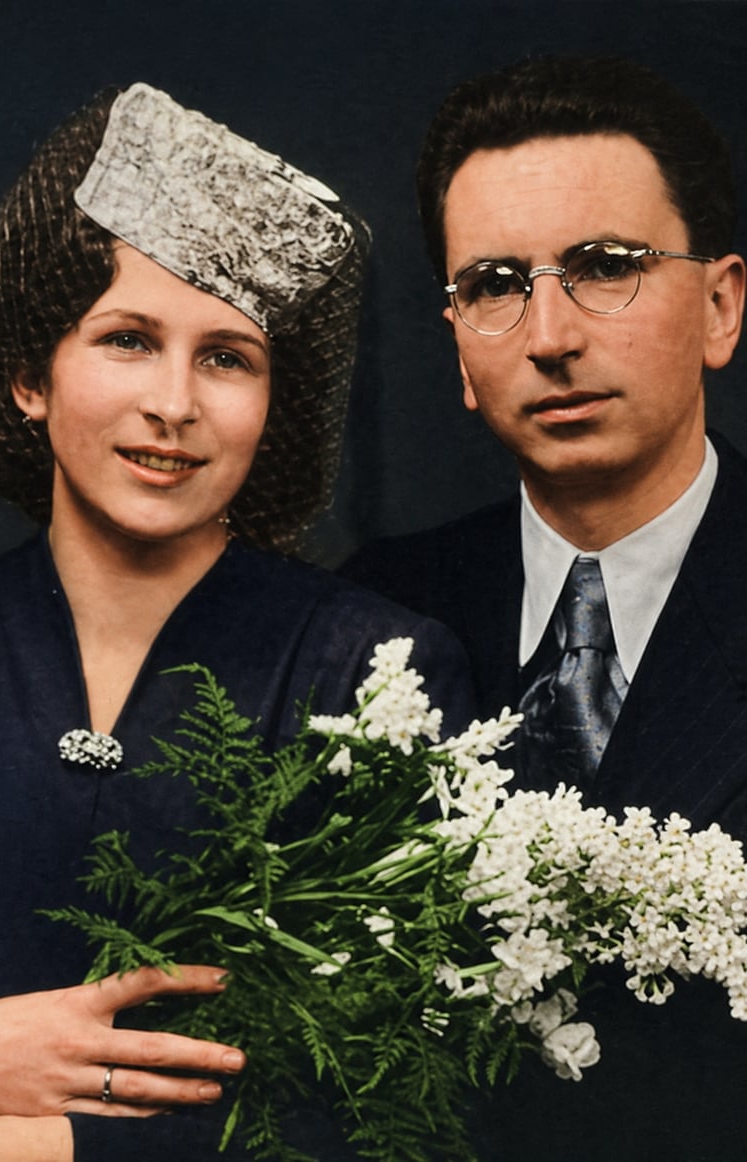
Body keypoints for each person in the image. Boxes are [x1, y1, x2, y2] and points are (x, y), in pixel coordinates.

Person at [0, 83, 474, 1162]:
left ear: (272, 406)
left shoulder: (373, 674)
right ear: (28, 375)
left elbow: (395, 1107)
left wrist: (25, 1146)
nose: (175, 403)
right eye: (127, 339)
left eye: (226, 357)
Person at [342, 57, 747, 1159]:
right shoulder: (368, 615)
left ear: (720, 305)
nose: (550, 335)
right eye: (495, 284)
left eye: (606, 267)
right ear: (459, 347)